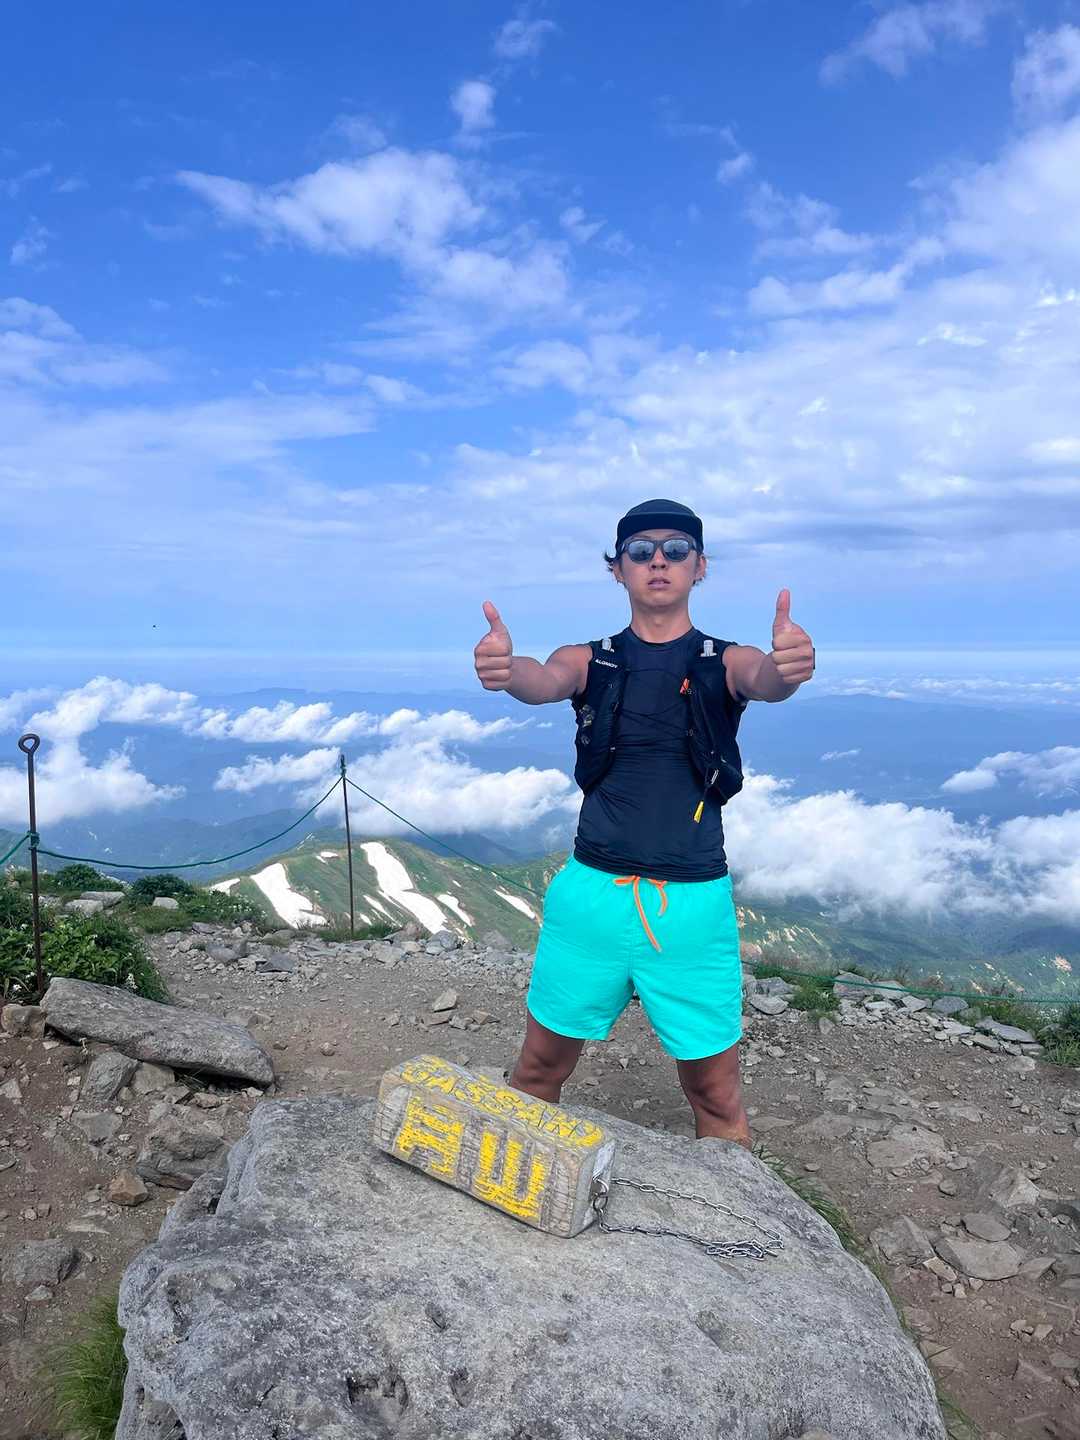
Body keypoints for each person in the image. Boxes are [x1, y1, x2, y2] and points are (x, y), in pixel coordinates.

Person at [473, 498, 815, 1148]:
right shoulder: (589, 660)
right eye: (640, 550)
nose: (659, 560)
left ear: (700, 566)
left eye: (676, 549)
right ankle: (507, 1196)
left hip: (690, 905)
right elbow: (542, 680)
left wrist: (788, 669)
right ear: (618, 568)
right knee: (538, 1069)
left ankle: (737, 1212)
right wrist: (505, 670)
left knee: (716, 1095)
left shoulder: (724, 660)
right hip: (591, 897)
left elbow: (763, 678)